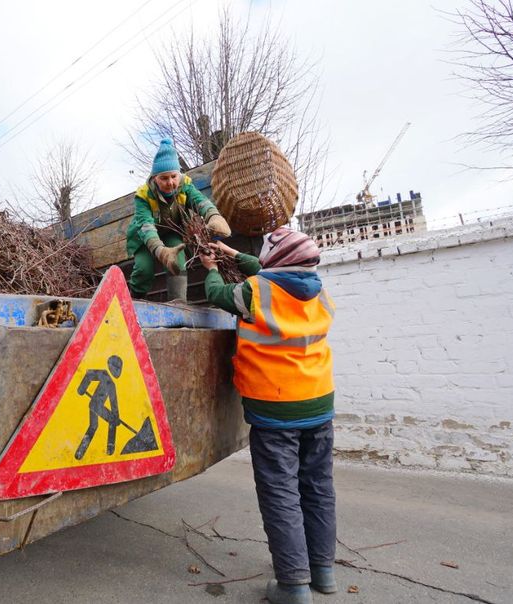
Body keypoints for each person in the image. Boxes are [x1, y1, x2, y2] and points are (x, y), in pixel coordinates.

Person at [198, 229, 336, 604]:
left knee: (281, 493)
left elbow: (217, 294)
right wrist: (231, 251)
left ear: (275, 261)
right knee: (318, 487)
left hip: (275, 408)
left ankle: (293, 585)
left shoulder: (254, 292)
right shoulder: (318, 289)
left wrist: (212, 267)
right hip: (319, 403)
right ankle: (323, 570)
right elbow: (268, 268)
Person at [125, 138, 231, 300]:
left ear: (178, 174)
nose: (170, 183)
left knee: (178, 259)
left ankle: (179, 302)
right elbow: (146, 227)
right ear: (155, 178)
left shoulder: (185, 186)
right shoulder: (143, 195)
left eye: (173, 176)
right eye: (164, 178)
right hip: (144, 238)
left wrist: (213, 215)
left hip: (171, 232)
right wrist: (160, 251)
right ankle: (134, 300)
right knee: (143, 269)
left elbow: (200, 201)